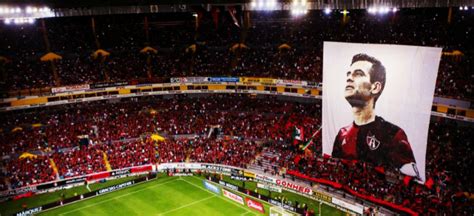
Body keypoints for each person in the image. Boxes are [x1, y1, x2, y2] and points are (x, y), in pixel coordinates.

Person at [331, 53, 420, 179]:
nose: (349, 78)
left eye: (358, 74)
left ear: (375, 87)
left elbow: (411, 179)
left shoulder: (393, 134)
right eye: (348, 74)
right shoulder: (342, 134)